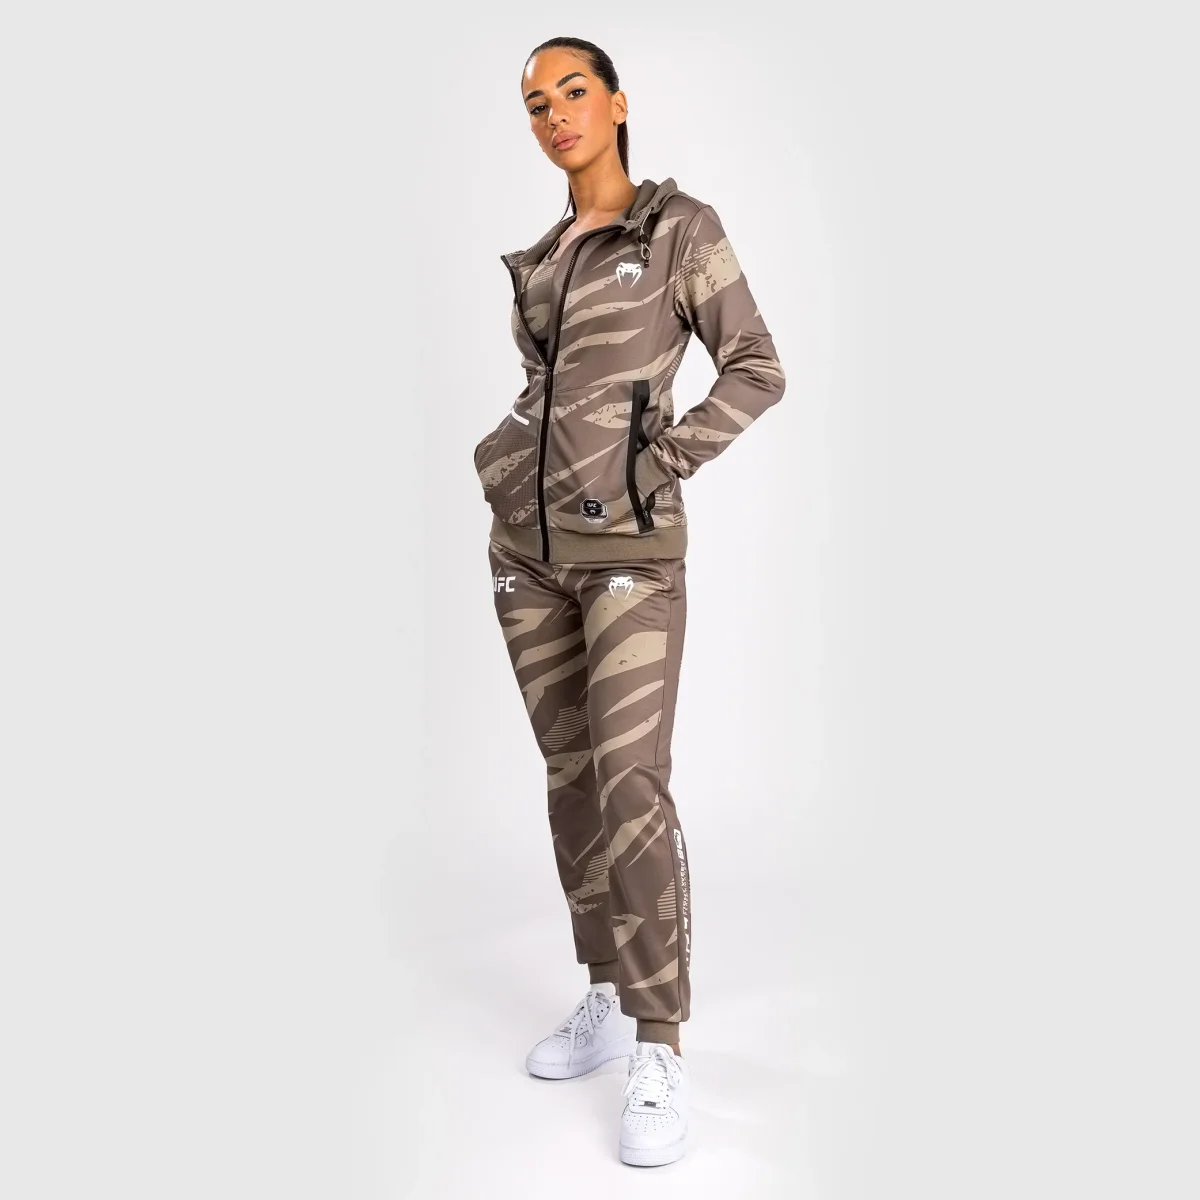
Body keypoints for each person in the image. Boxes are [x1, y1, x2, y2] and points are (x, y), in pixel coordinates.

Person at [473, 35, 786, 1167]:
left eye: (571, 91)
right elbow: (549, 391)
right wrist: (500, 462)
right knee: (572, 782)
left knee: (631, 784)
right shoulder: (547, 254)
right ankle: (604, 991)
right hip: (527, 557)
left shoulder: (677, 230)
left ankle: (661, 1044)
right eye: (534, 103)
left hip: (630, 560)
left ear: (615, 103)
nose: (553, 113)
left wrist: (660, 463)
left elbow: (756, 365)